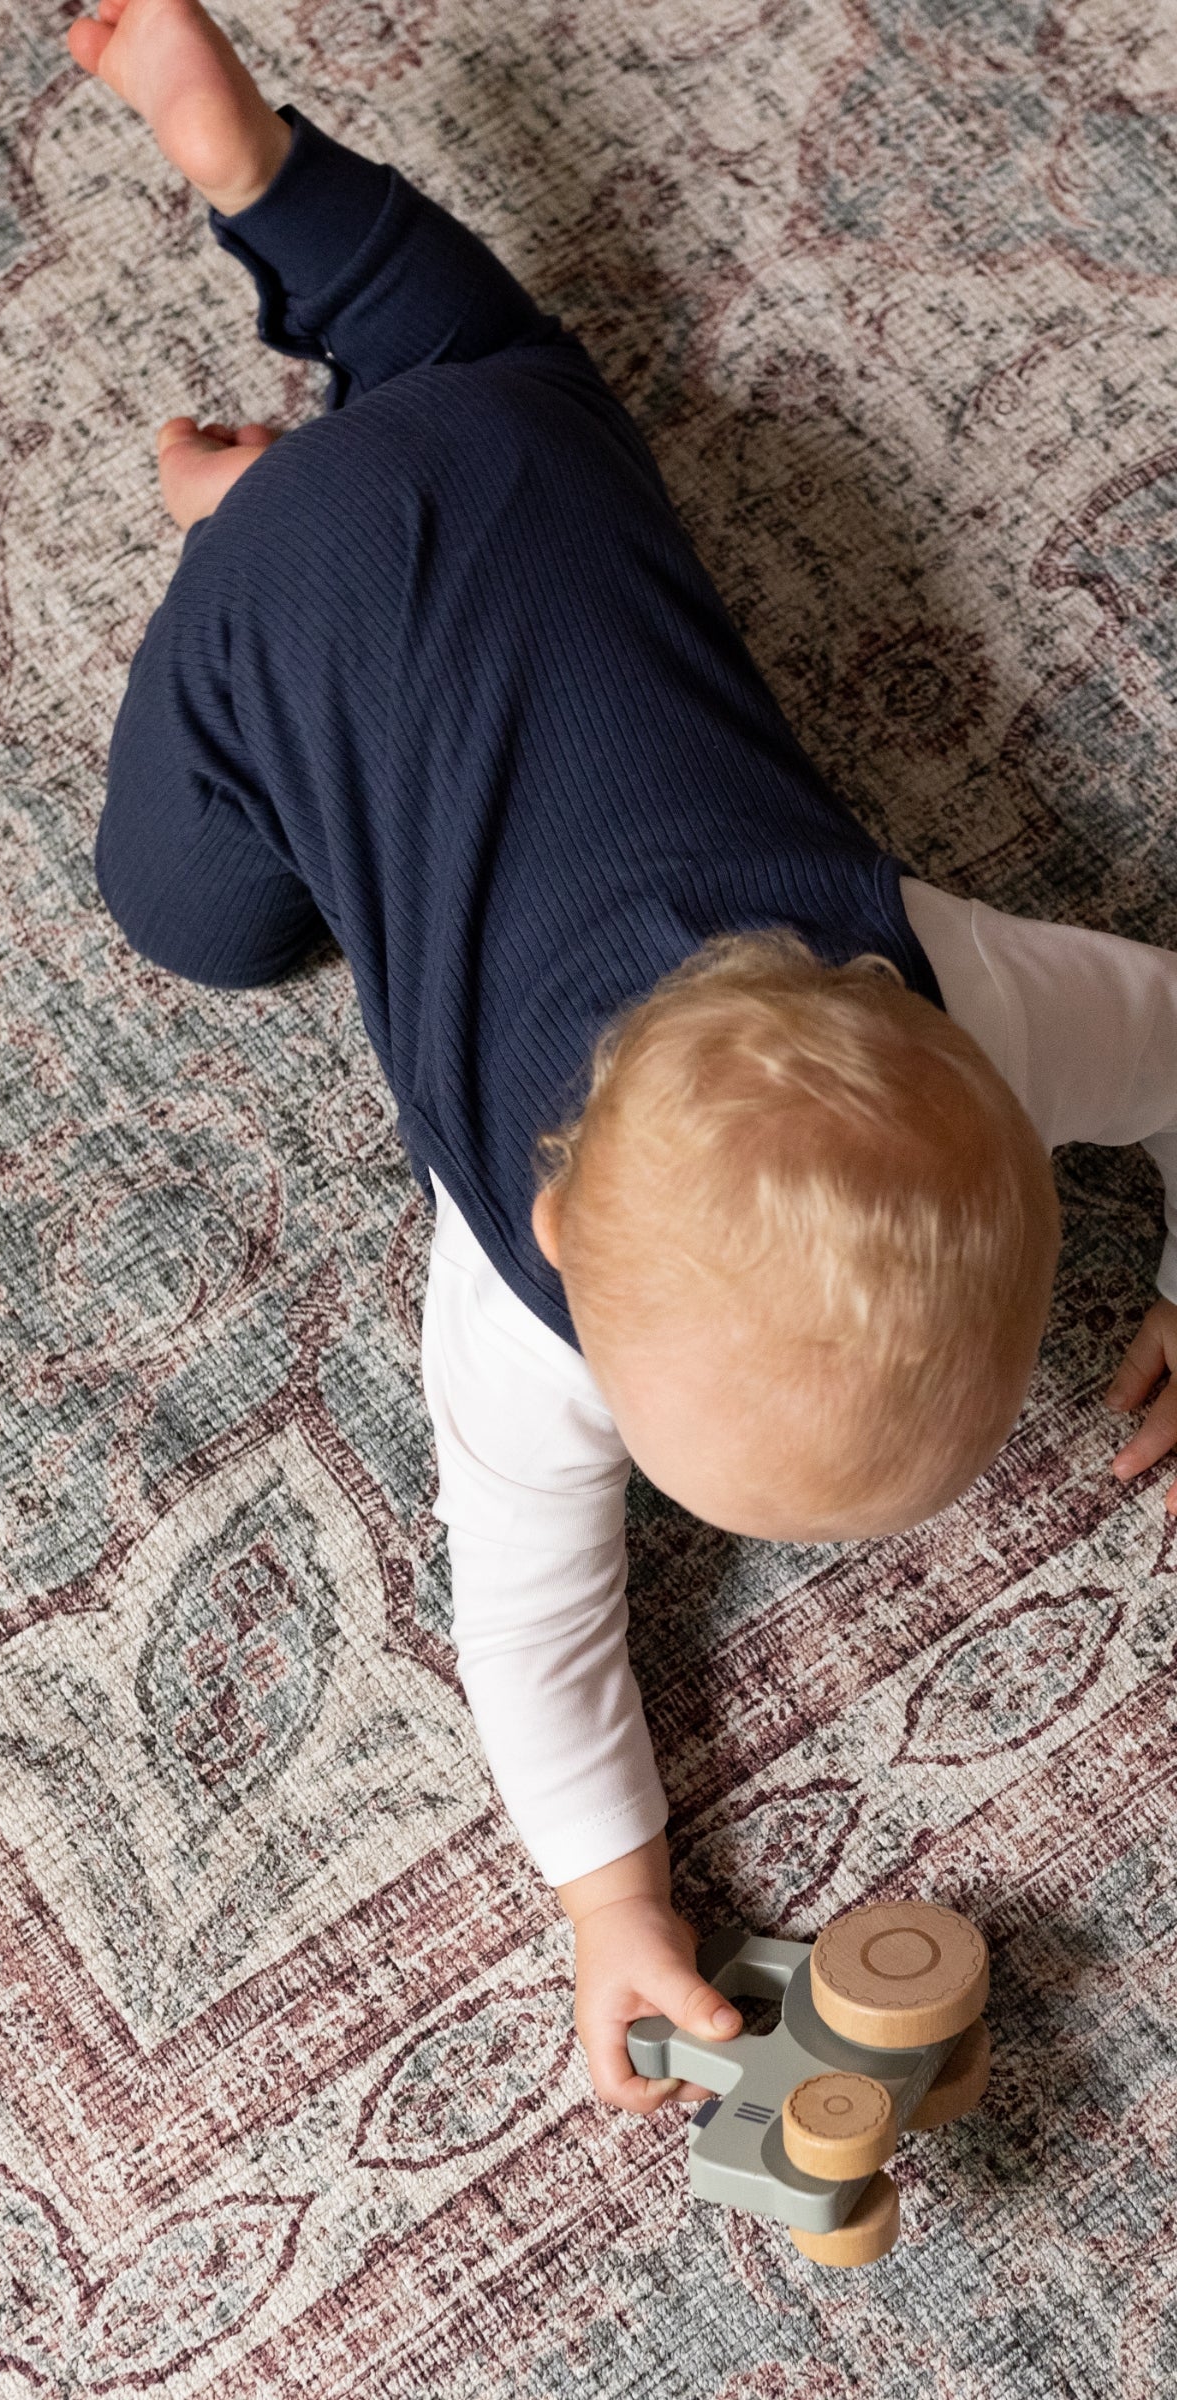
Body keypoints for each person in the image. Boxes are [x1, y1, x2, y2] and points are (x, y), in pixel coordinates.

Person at [67, 0, 1177, 2115]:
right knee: (201, 920)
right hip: (286, 625)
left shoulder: (974, 1002)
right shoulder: (518, 1297)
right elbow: (534, 1624)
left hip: (521, 465)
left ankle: (258, 173)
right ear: (559, 1233)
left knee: (481, 373)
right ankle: (239, 511)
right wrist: (609, 1897)